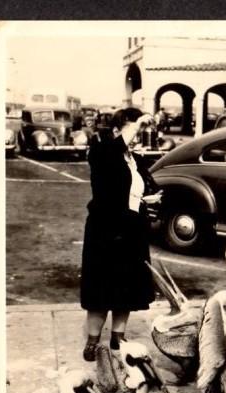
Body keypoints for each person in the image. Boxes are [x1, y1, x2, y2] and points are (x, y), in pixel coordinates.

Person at [80, 107, 160, 361]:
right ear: (117, 130)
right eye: (133, 129)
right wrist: (136, 124)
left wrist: (149, 199)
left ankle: (118, 336)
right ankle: (93, 341)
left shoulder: (135, 160)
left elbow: (132, 194)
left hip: (131, 231)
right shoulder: (101, 151)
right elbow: (109, 190)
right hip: (105, 231)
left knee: (126, 287)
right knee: (101, 290)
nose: (137, 135)